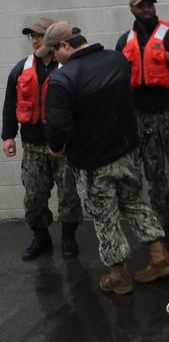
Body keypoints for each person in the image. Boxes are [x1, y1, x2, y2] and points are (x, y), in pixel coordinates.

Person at [40, 22, 169, 294]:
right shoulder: (117, 60)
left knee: (105, 217)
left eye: (53, 51)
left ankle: (118, 275)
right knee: (135, 203)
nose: (52, 57)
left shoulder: (62, 79)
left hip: (92, 163)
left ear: (64, 46)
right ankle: (159, 256)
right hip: (125, 152)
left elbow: (57, 126)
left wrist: (56, 147)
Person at [115, 0, 169, 229]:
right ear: (132, 9)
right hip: (143, 115)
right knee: (152, 166)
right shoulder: (124, 42)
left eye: (150, 4)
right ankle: (161, 211)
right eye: (141, 6)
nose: (146, 9)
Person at [2, 17, 82, 261]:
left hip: (65, 146)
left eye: (39, 35)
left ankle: (68, 236)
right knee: (34, 196)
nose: (35, 40)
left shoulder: (68, 66)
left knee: (68, 194)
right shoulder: (21, 69)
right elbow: (10, 104)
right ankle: (41, 237)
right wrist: (8, 136)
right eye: (31, 36)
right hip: (33, 145)